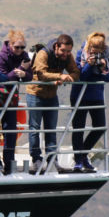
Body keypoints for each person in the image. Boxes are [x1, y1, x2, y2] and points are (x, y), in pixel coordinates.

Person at [26, 34, 79, 173]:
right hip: (35, 94)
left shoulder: (66, 57)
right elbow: (42, 74)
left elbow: (75, 72)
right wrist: (60, 76)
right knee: (34, 128)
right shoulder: (43, 53)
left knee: (51, 129)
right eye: (63, 51)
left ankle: (52, 160)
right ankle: (36, 160)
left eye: (68, 51)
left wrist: (69, 78)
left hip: (51, 95)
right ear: (56, 46)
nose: (66, 54)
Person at [70, 32, 109, 173]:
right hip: (79, 95)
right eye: (94, 47)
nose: (96, 50)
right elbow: (81, 76)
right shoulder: (80, 54)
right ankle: (78, 161)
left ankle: (83, 153)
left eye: (99, 48)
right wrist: (89, 65)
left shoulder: (107, 55)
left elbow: (108, 77)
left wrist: (103, 66)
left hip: (96, 95)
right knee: (78, 128)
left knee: (99, 126)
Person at [0, 30, 32, 173]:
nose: (20, 50)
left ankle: (9, 162)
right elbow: (3, 78)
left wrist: (24, 73)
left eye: (22, 47)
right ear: (10, 45)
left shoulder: (25, 56)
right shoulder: (1, 57)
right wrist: (21, 69)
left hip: (12, 97)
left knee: (11, 130)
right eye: (17, 47)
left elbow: (30, 76)